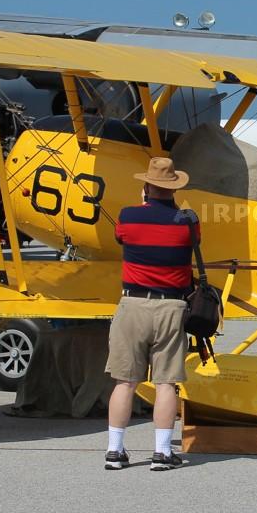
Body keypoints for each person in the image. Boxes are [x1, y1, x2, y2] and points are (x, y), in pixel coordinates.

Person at [104, 156, 200, 472]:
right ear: (174, 188)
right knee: (165, 384)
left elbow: (122, 237)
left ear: (146, 186)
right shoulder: (188, 220)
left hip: (132, 305)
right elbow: (194, 242)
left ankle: (115, 451)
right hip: (171, 308)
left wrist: (141, 205)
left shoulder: (128, 217)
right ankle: (162, 453)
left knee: (124, 382)